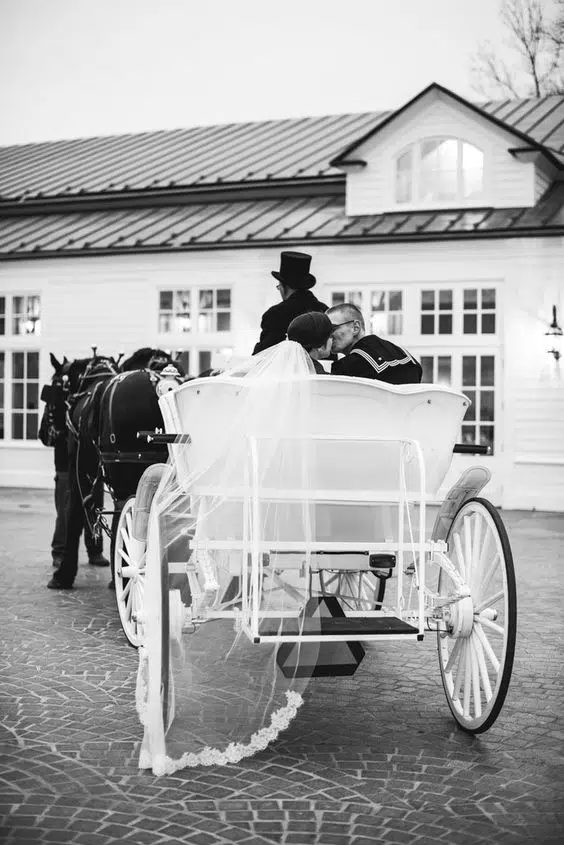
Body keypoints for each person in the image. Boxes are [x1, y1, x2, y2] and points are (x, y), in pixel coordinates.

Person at [39, 374, 109, 570]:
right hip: (65, 465)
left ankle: (95, 551)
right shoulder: (58, 400)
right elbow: (46, 436)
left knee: (94, 508)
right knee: (65, 512)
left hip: (90, 465)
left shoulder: (90, 400)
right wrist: (57, 419)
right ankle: (60, 552)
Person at [253, 251, 328, 354]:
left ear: (284, 286)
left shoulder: (276, 313)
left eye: (279, 286)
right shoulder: (324, 310)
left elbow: (263, 353)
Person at [327, 303, 422, 384]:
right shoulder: (407, 357)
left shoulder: (347, 366)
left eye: (332, 328)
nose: (327, 335)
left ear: (356, 327)